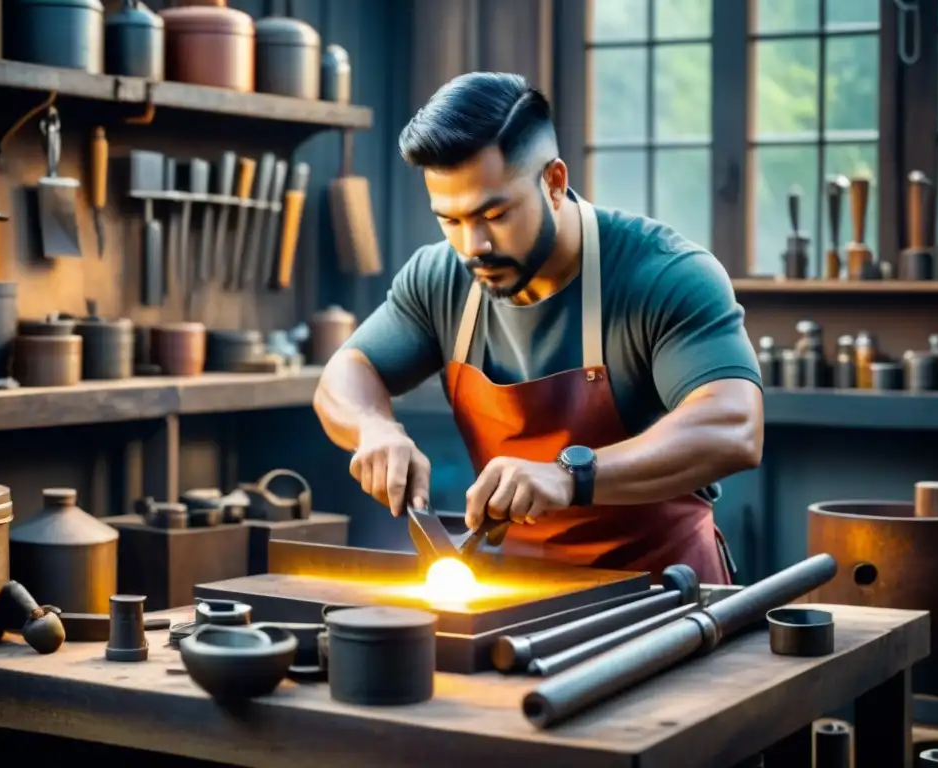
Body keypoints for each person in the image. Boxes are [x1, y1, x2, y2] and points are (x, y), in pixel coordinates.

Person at [313, 72, 763, 584]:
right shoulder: (440, 276)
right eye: (450, 220)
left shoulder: (663, 274)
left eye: (495, 213)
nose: (472, 246)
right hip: (524, 598)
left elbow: (735, 426)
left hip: (666, 593)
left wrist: (571, 475)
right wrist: (374, 427)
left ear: (553, 183)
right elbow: (345, 374)